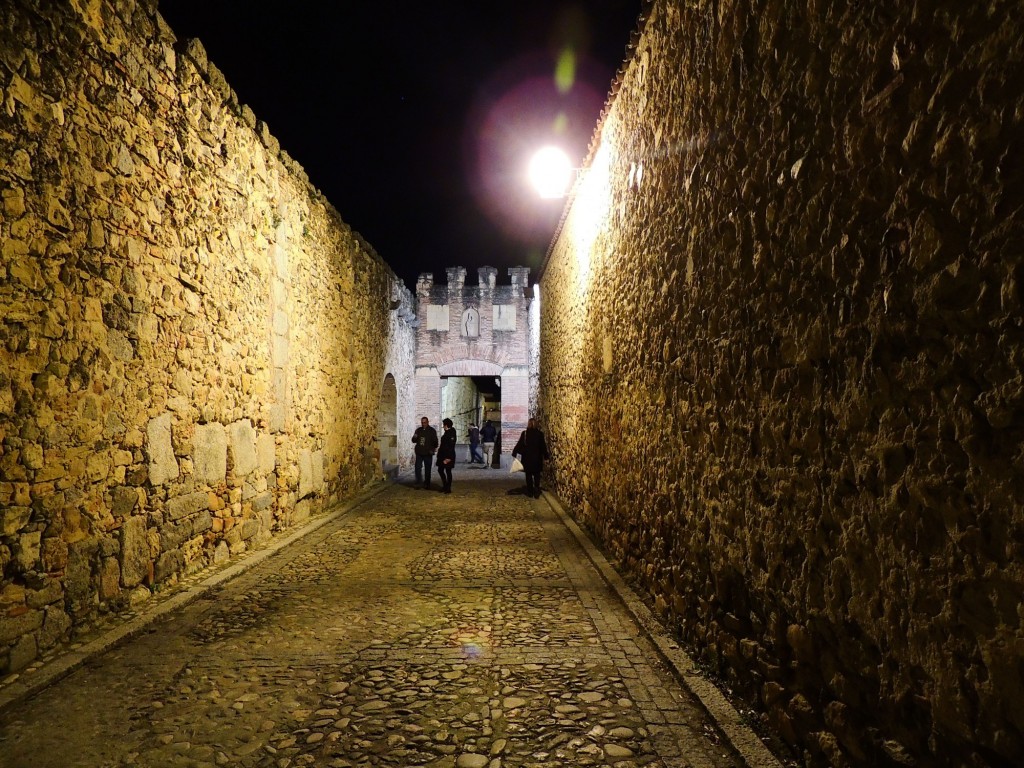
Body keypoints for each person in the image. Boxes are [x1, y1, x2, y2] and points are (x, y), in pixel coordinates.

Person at [512, 417, 550, 498]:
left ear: (529, 424)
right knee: (537, 475)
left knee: (528, 475)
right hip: (537, 458)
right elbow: (543, 446)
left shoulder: (525, 434)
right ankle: (536, 489)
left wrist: (514, 452)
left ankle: (530, 492)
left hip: (527, 458)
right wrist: (546, 457)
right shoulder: (540, 434)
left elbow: (520, 444)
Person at [411, 416, 438, 489]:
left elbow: (435, 442)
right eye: (422, 423)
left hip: (428, 453)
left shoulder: (432, 431)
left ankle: (427, 483)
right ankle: (419, 482)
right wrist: (415, 437)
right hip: (419, 452)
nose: (423, 424)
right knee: (417, 468)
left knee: (427, 469)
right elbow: (413, 440)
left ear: (428, 422)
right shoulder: (418, 430)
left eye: (425, 422)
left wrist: (433, 449)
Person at [437, 418, 457, 493]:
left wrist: (448, 458)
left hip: (448, 456)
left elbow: (451, 446)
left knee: (448, 471)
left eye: (443, 425)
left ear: (446, 425)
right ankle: (445, 485)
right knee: (440, 470)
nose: (443, 426)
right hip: (442, 455)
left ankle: (448, 487)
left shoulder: (451, 433)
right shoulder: (447, 432)